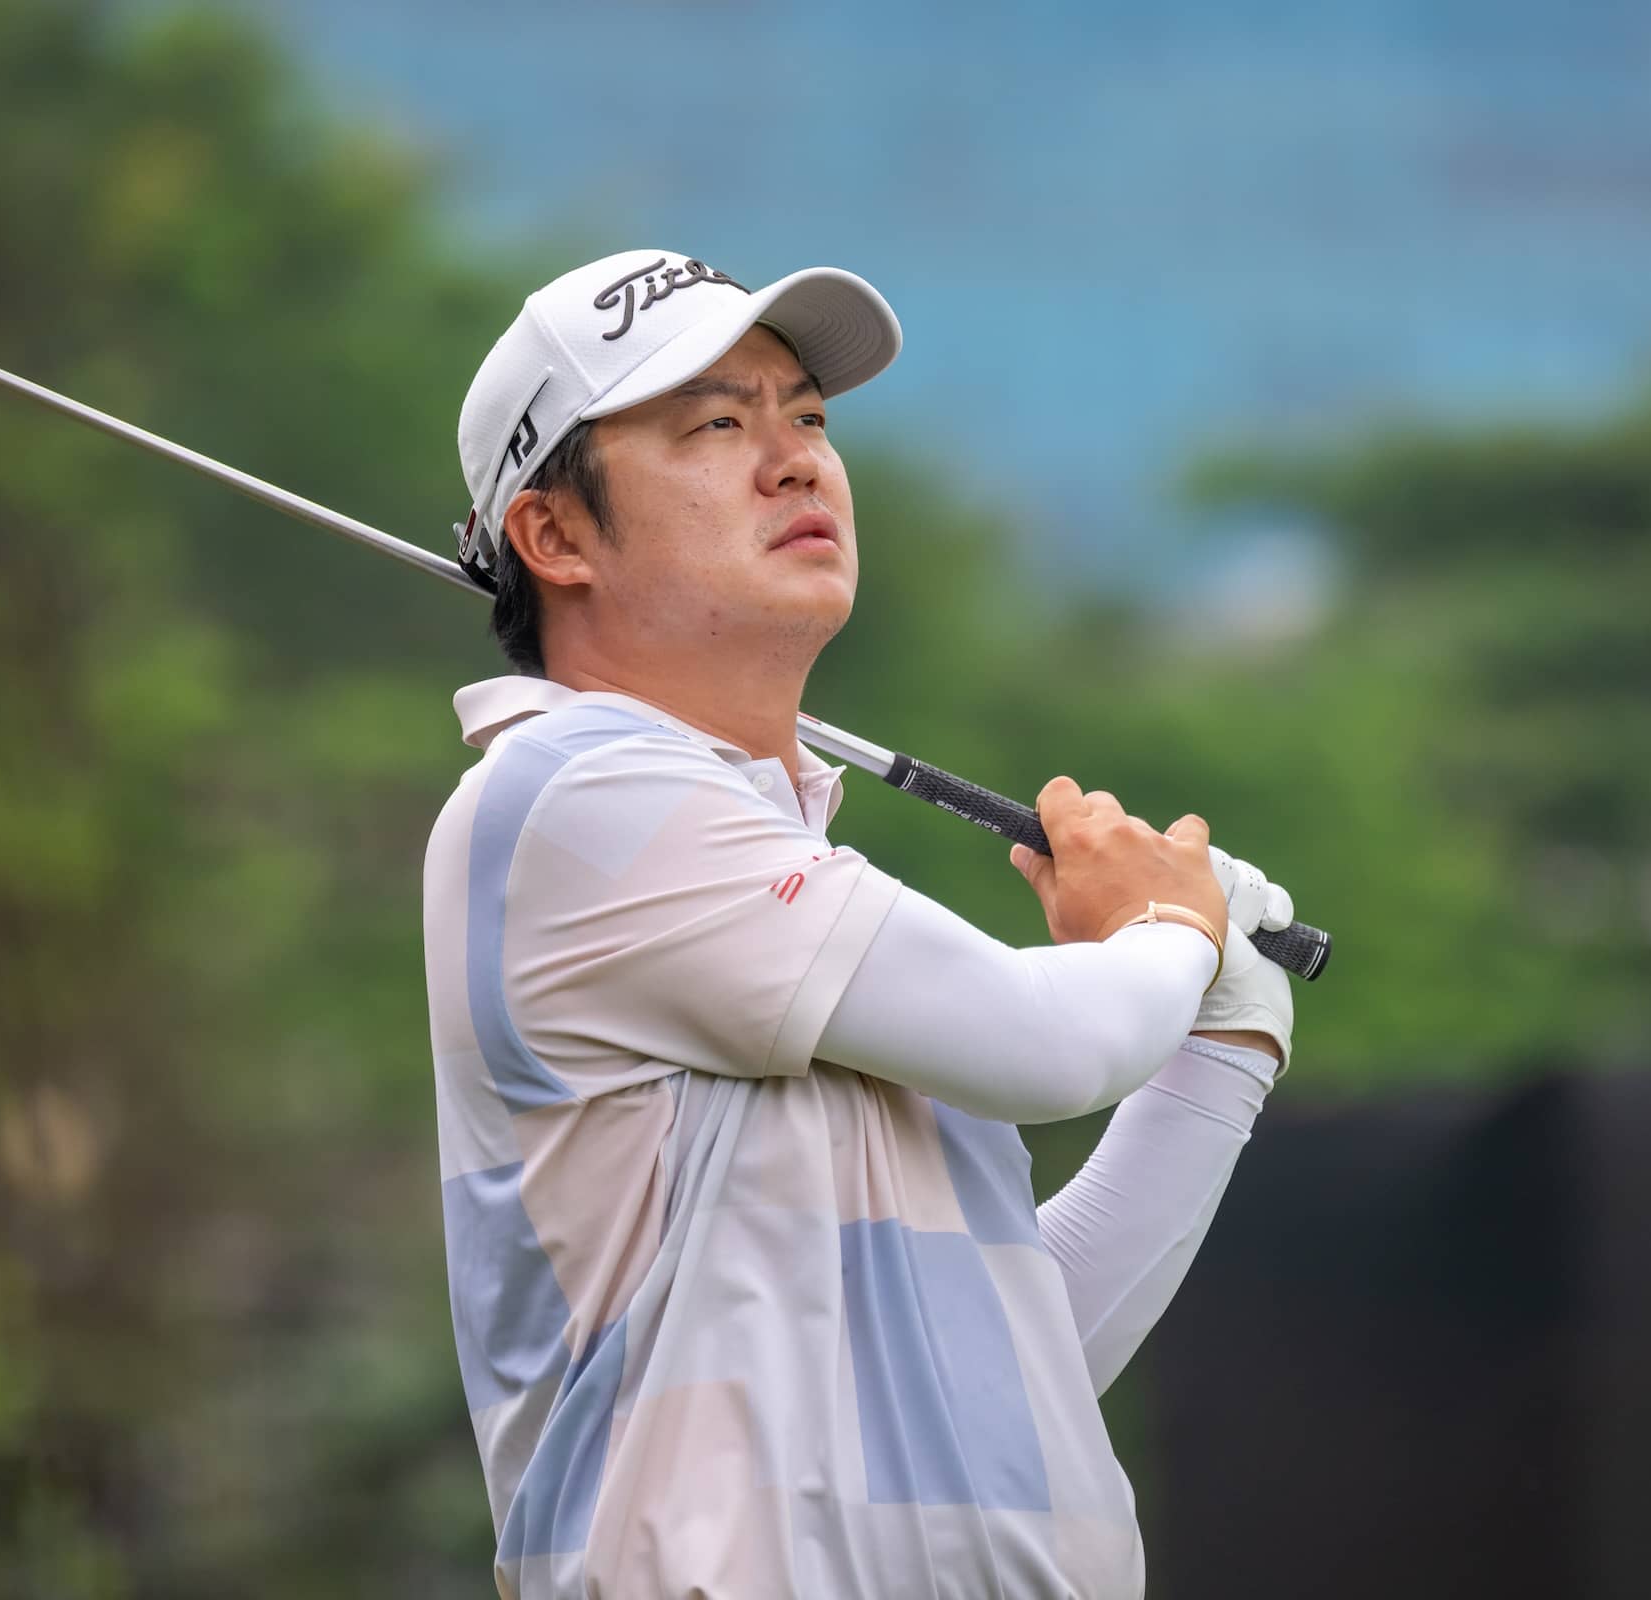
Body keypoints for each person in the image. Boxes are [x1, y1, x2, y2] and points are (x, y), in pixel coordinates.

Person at [424, 249, 1297, 1600]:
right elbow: (1043, 1044)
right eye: (716, 424)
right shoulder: (572, 797)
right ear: (554, 539)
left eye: (808, 418)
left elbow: (1008, 1349)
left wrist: (1221, 1043)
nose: (794, 461)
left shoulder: (767, 872)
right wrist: (1171, 932)